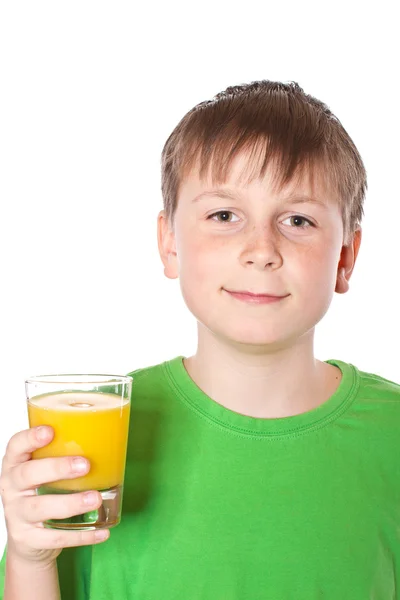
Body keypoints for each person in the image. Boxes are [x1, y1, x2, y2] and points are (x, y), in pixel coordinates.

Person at [1, 80, 399, 599]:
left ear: (346, 256)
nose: (261, 250)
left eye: (297, 220)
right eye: (225, 216)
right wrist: (31, 559)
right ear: (169, 243)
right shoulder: (97, 429)